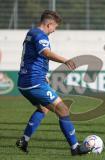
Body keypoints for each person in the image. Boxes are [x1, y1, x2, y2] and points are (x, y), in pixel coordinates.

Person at [16, 10, 89, 156]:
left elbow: (33, 57)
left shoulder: (31, 32)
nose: (54, 30)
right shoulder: (40, 35)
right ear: (49, 24)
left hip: (24, 82)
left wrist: (44, 74)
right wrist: (66, 60)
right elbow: (46, 53)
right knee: (63, 110)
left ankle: (24, 140)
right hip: (34, 82)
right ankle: (75, 147)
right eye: (54, 27)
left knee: (43, 109)